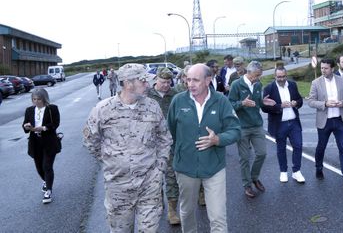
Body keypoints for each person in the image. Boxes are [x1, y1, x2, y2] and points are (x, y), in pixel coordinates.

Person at [83, 63, 171, 232]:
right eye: (143, 81)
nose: (147, 84)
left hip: (149, 184)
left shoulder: (152, 106)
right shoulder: (103, 109)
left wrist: (160, 167)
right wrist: (113, 162)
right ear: (129, 83)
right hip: (118, 187)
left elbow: (164, 138)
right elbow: (90, 141)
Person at [167, 64, 241, 233]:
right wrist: (178, 154)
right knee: (187, 213)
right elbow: (170, 132)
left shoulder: (221, 101)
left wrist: (218, 139)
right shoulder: (178, 101)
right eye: (188, 79)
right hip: (185, 169)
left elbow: (235, 130)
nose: (190, 84)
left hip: (214, 168)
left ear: (208, 80)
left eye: (195, 80)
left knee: (218, 216)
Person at [229, 61, 276, 198]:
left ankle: (254, 177)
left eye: (259, 76)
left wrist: (264, 102)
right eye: (256, 75)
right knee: (244, 158)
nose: (258, 78)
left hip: (256, 126)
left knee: (262, 153)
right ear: (248, 73)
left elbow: (258, 103)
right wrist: (242, 103)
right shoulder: (236, 85)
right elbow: (230, 104)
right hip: (242, 127)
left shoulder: (258, 84)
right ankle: (247, 185)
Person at [307, 58, 343, 188]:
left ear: (332, 69)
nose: (323, 70)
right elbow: (310, 101)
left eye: (325, 68)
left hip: (340, 120)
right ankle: (318, 167)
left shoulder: (342, 81)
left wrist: (342, 103)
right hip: (324, 121)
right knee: (321, 147)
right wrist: (325, 104)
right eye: (321, 68)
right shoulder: (316, 83)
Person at [147, 67, 181, 225]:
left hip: (170, 142)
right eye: (163, 82)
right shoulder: (146, 95)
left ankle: (172, 210)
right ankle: (158, 203)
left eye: (168, 82)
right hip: (150, 144)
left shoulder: (175, 95)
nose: (166, 85)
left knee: (172, 176)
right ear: (156, 80)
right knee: (154, 177)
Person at [262, 67, 305, 183]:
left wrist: (296, 103)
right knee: (281, 148)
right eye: (279, 77)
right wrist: (279, 106)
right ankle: (283, 172)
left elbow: (300, 99)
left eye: (283, 76)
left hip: (294, 122)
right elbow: (264, 107)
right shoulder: (269, 88)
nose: (281, 79)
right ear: (275, 76)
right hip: (279, 124)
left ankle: (296, 171)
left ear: (286, 75)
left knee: (298, 146)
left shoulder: (292, 85)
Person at [22, 88, 61, 204]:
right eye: (34, 99)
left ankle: (48, 190)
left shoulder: (52, 109)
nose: (36, 101)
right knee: (39, 167)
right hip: (35, 142)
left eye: (39, 99)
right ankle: (46, 181)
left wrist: (44, 128)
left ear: (44, 99)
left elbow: (56, 123)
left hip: (49, 141)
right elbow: (24, 124)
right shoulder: (29, 110)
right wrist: (26, 126)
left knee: (47, 166)